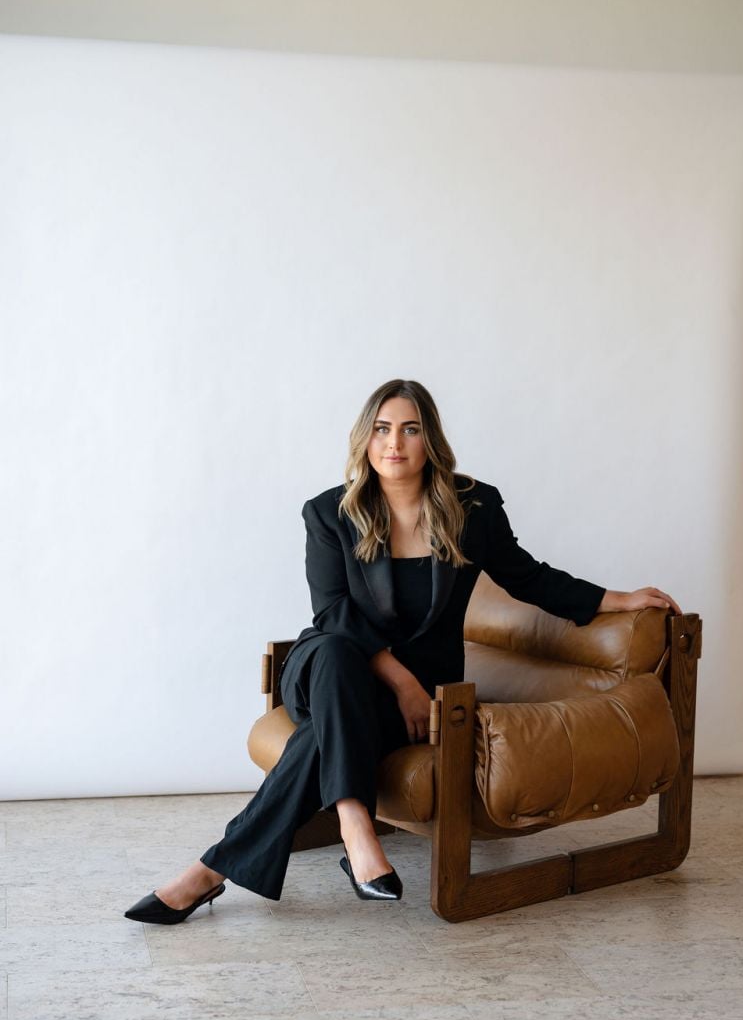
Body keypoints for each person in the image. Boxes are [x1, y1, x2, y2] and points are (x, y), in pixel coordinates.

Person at [124, 379, 682, 924]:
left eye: (410, 429)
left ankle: (207, 872)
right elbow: (333, 613)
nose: (394, 443)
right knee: (337, 650)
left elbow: (528, 577)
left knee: (323, 739)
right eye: (382, 429)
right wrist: (403, 683)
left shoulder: (473, 507)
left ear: (429, 439)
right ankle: (356, 827)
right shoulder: (330, 512)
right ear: (364, 438)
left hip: (400, 697)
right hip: (327, 673)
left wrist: (616, 599)